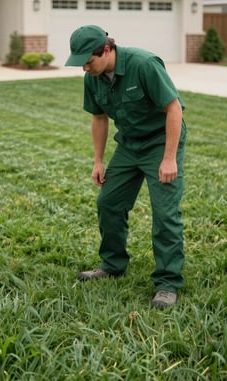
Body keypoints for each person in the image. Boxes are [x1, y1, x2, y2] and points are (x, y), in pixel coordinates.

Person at [65, 25, 186, 309]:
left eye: (88, 61)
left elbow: (174, 109)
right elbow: (99, 118)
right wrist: (98, 160)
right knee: (109, 202)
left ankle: (167, 283)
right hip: (129, 144)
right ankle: (113, 264)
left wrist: (168, 158)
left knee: (165, 212)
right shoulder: (92, 77)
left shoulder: (143, 64)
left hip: (160, 142)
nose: (84, 68)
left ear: (106, 50)